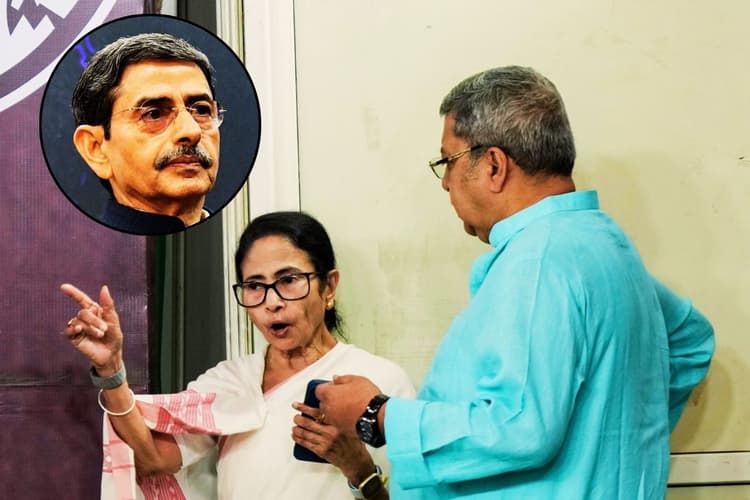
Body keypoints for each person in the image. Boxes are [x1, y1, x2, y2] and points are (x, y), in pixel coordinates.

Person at [316, 66, 715, 499]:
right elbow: (691, 342)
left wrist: (376, 415)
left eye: (447, 162)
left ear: (493, 165)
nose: (445, 183)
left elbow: (519, 427)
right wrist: (610, 443)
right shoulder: (603, 244)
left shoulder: (540, 261)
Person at [61, 211, 415, 499]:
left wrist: (358, 469)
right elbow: (151, 459)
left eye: (289, 280)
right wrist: (111, 370)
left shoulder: (379, 381)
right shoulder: (231, 382)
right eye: (255, 286)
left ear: (329, 286)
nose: (272, 302)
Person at [71, 33, 223, 234]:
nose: (191, 131)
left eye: (202, 110)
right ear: (96, 149)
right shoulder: (93, 249)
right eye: (154, 114)